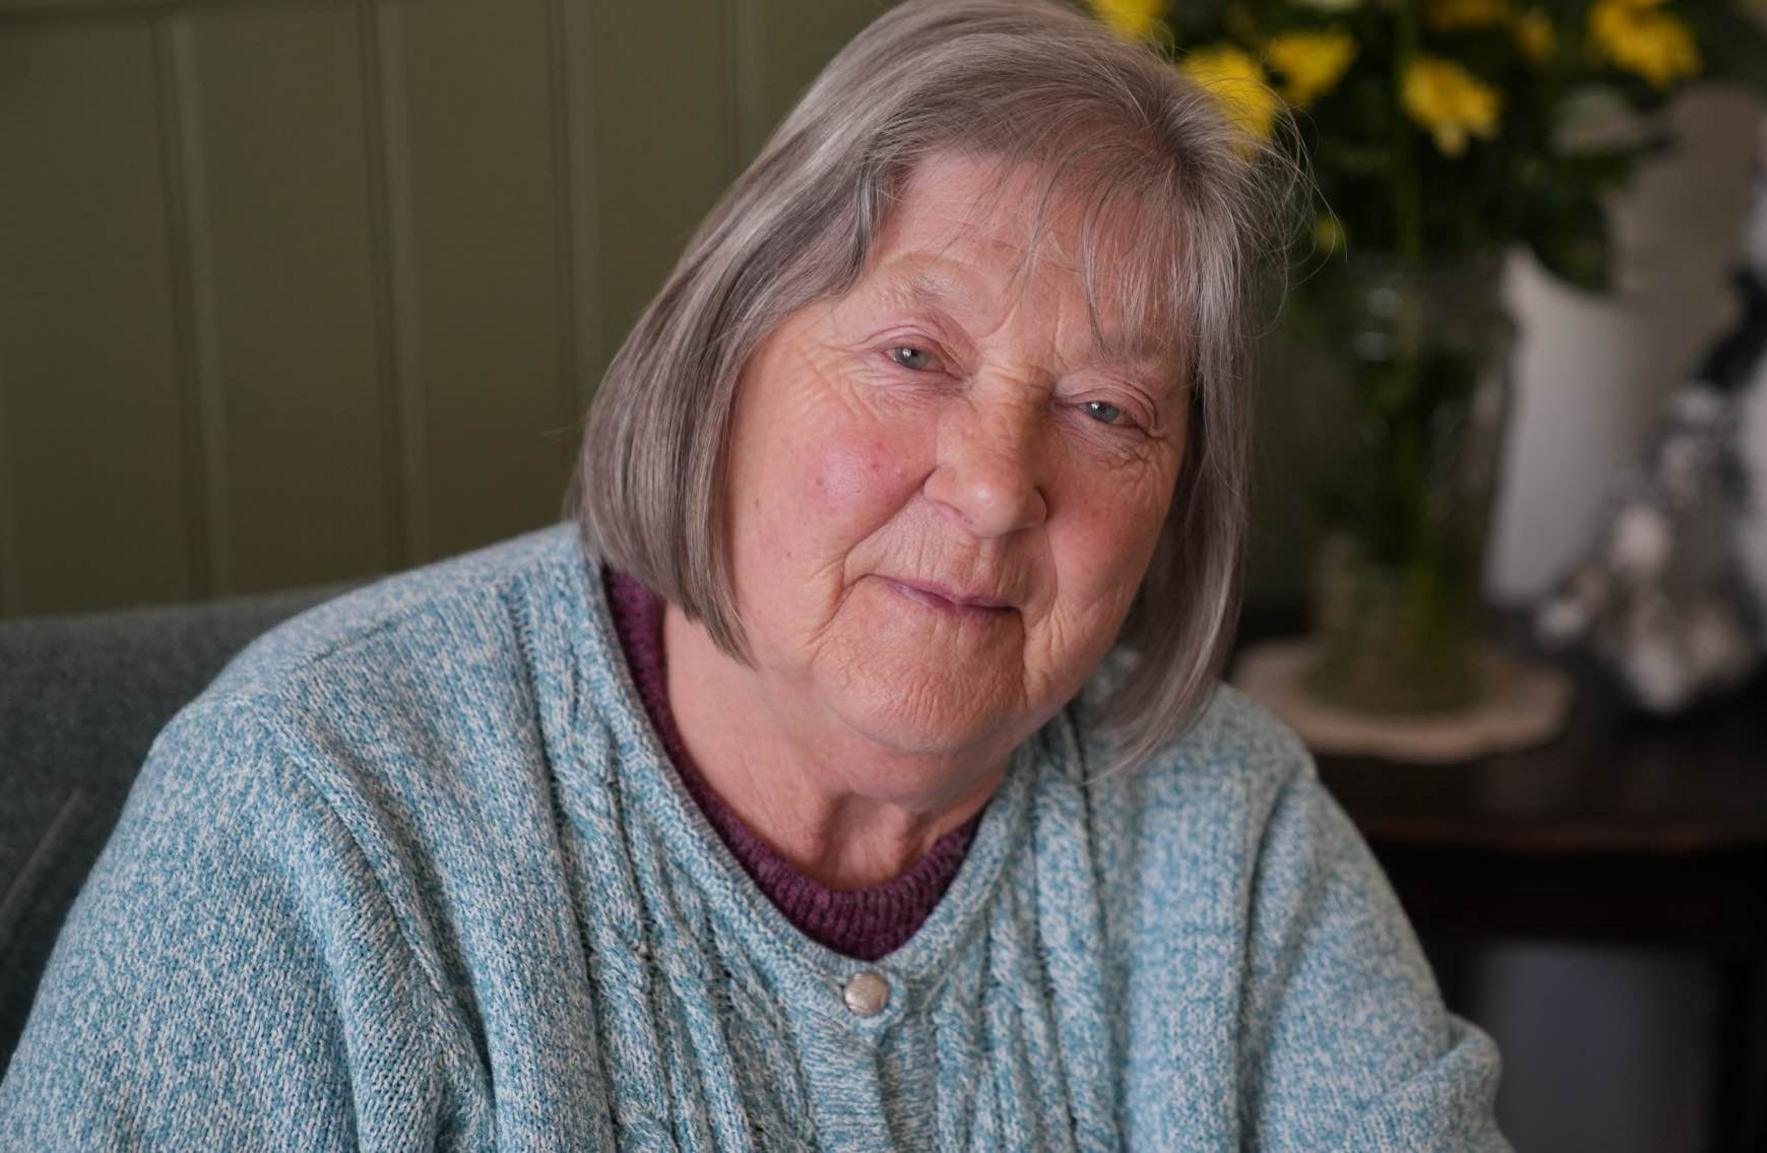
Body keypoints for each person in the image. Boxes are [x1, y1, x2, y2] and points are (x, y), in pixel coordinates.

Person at [0, 0, 1507, 1147]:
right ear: (721, 357)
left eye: (1107, 410)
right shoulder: (308, 812)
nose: (992, 485)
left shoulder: (1225, 823)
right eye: (916, 354)